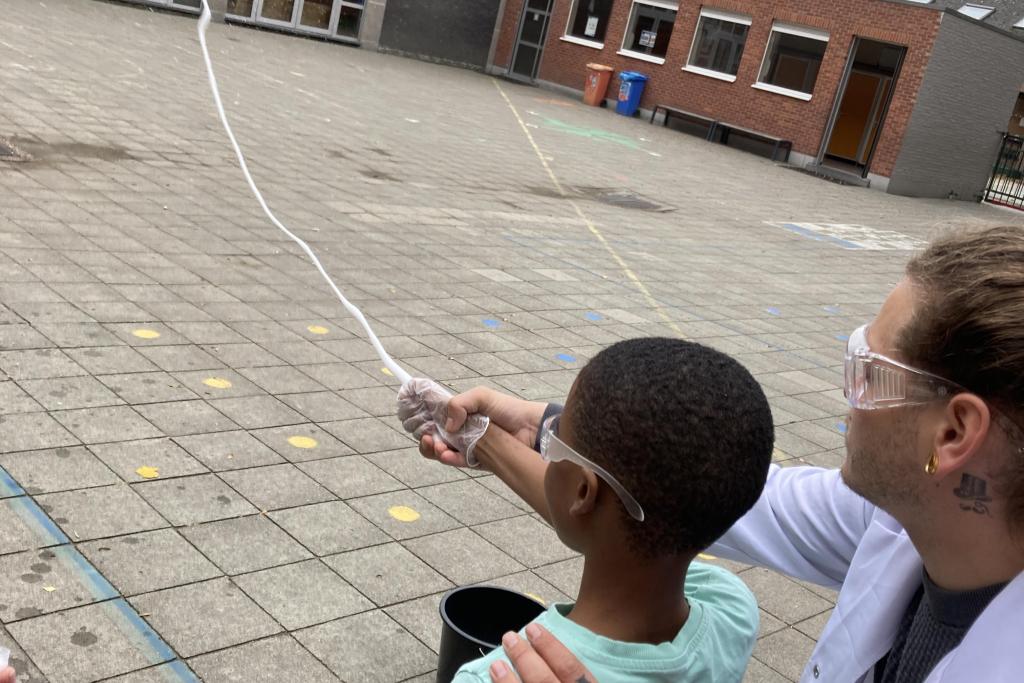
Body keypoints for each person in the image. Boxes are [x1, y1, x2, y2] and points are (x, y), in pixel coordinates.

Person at [399, 225, 1024, 683]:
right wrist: (514, 434)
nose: (847, 396)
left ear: (954, 432)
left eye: (868, 371)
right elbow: (675, 495)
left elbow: (639, 508)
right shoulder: (886, 526)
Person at [404, 337, 774, 682]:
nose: (546, 444)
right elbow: (625, 524)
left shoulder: (493, 676)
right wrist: (484, 440)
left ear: (583, 492)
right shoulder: (731, 610)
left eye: (555, 436)